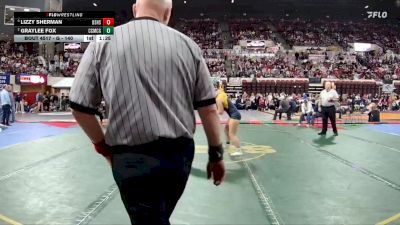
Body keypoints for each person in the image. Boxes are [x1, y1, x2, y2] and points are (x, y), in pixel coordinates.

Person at [69, 0, 225, 224]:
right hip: (179, 158)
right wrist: (216, 155)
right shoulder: (189, 46)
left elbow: (79, 106)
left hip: (130, 156)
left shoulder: (102, 42)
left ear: (135, 9)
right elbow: (209, 109)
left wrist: (103, 146)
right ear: (168, 13)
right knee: (156, 216)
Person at [216, 85, 243, 156]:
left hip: (235, 116)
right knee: (226, 129)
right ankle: (228, 144)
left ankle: (239, 150)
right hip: (233, 115)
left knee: (232, 134)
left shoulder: (218, 99)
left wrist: (212, 112)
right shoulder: (220, 95)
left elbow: (220, 112)